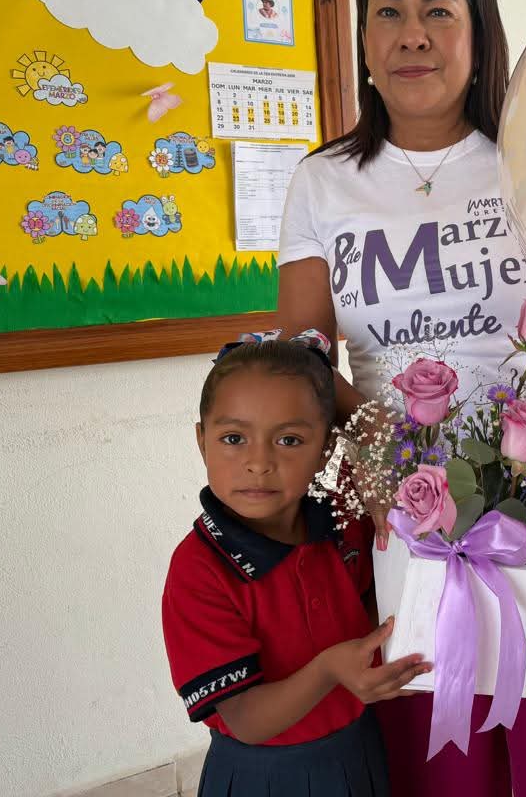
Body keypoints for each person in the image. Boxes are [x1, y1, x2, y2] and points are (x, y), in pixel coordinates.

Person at [276, 0, 526, 797]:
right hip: (407, 515)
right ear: (362, 38)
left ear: (479, 35)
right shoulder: (322, 181)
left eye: (438, 11)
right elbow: (304, 361)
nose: (413, 35)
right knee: (439, 761)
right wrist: (381, 455)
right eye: (387, 12)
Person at [161, 335, 430, 797]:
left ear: (325, 450)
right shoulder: (199, 570)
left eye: (289, 440)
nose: (259, 463)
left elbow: (370, 601)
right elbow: (245, 719)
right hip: (264, 775)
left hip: (358, 750)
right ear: (202, 441)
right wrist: (329, 670)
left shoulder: (344, 523)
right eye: (233, 439)